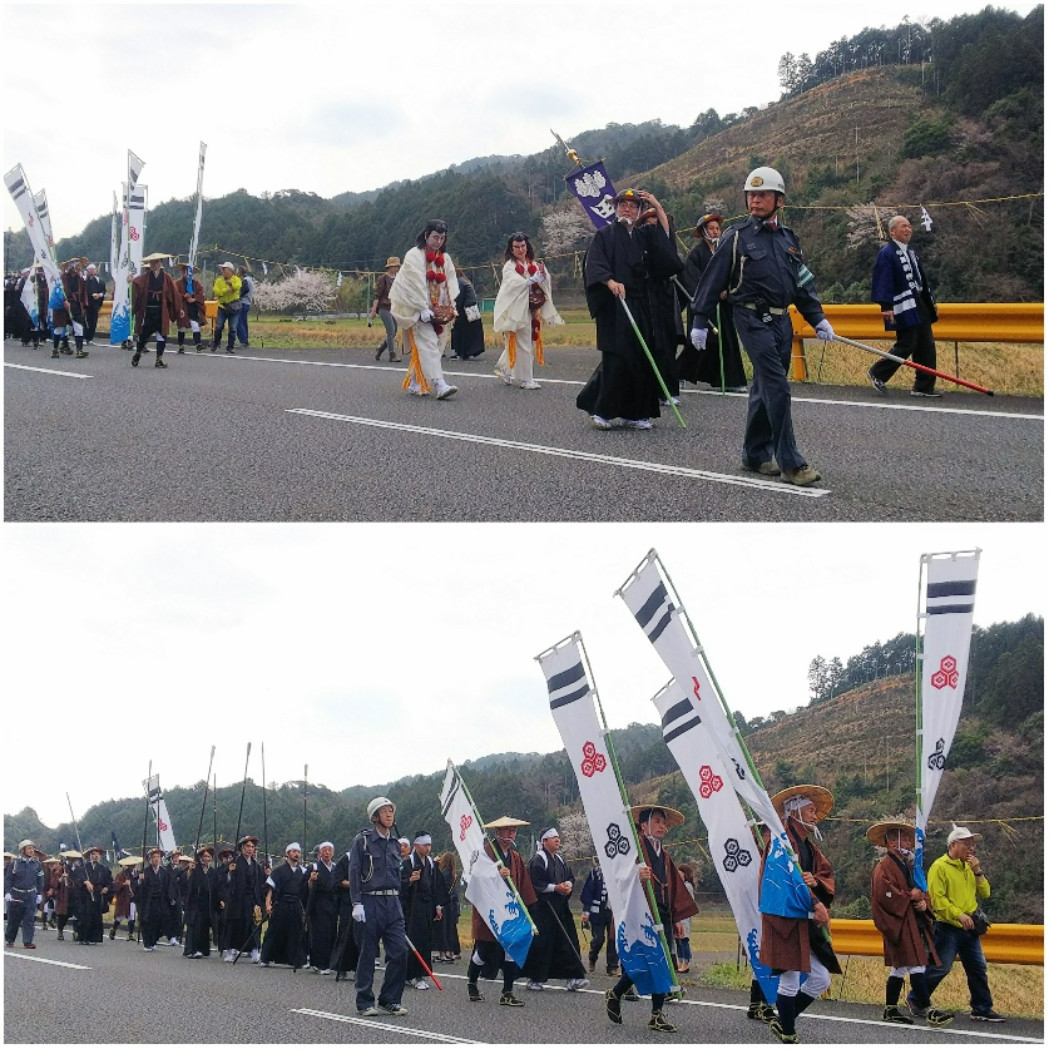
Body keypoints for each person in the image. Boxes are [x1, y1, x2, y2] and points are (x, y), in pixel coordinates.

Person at [690, 167, 834, 486]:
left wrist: (817, 318)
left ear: (779, 200)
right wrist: (699, 319)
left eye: (762, 194)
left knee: (764, 387)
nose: (755, 200)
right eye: (751, 195)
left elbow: (802, 285)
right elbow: (712, 280)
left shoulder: (788, 240)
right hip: (750, 317)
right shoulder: (737, 236)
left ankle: (754, 454)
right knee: (776, 386)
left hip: (782, 320)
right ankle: (791, 463)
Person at [577, 188, 682, 430]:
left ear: (639, 211)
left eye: (633, 206)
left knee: (641, 357)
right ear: (616, 208)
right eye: (623, 204)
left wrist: (657, 204)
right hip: (615, 305)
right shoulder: (605, 235)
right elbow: (594, 263)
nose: (628, 209)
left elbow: (666, 238)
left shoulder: (645, 235)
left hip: (640, 303)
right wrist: (610, 281)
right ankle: (603, 411)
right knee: (617, 358)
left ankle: (635, 413)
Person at [605, 805, 697, 1034]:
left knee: (662, 961)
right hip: (641, 911)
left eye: (663, 823)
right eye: (657, 821)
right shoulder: (634, 849)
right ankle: (616, 993)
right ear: (644, 825)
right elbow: (617, 876)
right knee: (643, 962)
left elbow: (672, 886)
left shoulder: (663, 854)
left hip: (662, 912)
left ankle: (656, 1014)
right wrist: (635, 874)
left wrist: (675, 917)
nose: (662, 826)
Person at [761, 785, 841, 1044]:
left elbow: (823, 876)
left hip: (804, 921)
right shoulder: (780, 843)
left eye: (815, 811)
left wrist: (815, 882)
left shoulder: (809, 847)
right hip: (785, 919)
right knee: (790, 978)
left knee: (820, 978)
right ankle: (788, 1031)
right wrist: (815, 900)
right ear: (793, 811)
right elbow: (783, 881)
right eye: (809, 810)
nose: (814, 815)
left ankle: (784, 1019)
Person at [867, 819, 953, 1027]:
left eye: (907, 838)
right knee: (915, 963)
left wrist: (923, 902)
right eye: (904, 838)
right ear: (891, 842)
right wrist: (910, 896)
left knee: (901, 966)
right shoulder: (884, 867)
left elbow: (915, 891)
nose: (908, 842)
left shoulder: (906, 865)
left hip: (909, 919)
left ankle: (890, 1009)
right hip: (899, 921)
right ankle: (928, 1008)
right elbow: (886, 895)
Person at [922, 825, 1003, 1023]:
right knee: (941, 968)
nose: (971, 849)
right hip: (948, 927)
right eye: (967, 844)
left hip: (970, 927)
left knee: (977, 967)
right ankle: (917, 998)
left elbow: (985, 893)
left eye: (972, 845)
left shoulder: (969, 867)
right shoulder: (939, 867)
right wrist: (959, 915)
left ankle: (982, 1008)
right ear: (953, 845)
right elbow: (938, 900)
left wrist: (978, 871)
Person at [466, 815, 537, 1007]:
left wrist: (527, 909)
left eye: (513, 830)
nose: (511, 833)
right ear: (497, 833)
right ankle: (472, 982)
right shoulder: (486, 853)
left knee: (511, 949)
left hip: (509, 911)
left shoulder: (514, 857)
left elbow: (522, 884)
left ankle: (507, 992)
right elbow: (477, 878)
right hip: (488, 910)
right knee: (483, 951)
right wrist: (495, 874)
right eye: (507, 830)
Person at [348, 797, 409, 1017]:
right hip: (369, 901)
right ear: (375, 817)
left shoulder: (395, 844)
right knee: (367, 953)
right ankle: (364, 1001)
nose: (389, 814)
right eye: (384, 811)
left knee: (400, 951)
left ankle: (390, 998)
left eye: (391, 811)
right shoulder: (362, 841)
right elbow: (354, 872)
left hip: (392, 902)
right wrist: (356, 903)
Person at [868, 215, 941, 398]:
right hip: (903, 304)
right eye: (903, 226)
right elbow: (883, 280)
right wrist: (886, 306)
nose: (908, 229)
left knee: (926, 344)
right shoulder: (887, 253)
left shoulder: (911, 252)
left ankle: (923, 386)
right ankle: (878, 372)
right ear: (892, 231)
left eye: (909, 226)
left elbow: (921, 279)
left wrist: (931, 301)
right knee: (908, 342)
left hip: (919, 302)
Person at [389, 220, 459, 399]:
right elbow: (413, 283)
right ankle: (439, 383)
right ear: (426, 235)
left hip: (438, 311)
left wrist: (451, 307)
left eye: (442, 238)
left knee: (433, 345)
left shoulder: (445, 258)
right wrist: (421, 307)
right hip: (417, 309)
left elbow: (450, 283)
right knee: (428, 344)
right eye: (435, 237)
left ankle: (414, 382)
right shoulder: (414, 255)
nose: (439, 242)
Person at [677, 213, 747, 392]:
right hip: (703, 305)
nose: (715, 232)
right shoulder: (696, 254)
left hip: (724, 305)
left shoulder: (725, 250)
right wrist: (713, 294)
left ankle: (731, 379)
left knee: (727, 340)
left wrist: (727, 291)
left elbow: (733, 274)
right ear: (703, 232)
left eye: (717, 228)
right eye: (711, 229)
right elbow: (694, 281)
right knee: (701, 341)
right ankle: (678, 373)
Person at [492, 232, 562, 389]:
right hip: (517, 311)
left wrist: (543, 276)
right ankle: (526, 379)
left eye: (523, 246)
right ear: (511, 249)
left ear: (527, 246)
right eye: (516, 247)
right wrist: (530, 280)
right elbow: (512, 284)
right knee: (524, 342)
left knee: (525, 341)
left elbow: (544, 281)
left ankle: (504, 367)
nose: (520, 249)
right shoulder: (509, 266)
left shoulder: (533, 264)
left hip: (532, 309)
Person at [525, 828, 588, 993]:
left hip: (560, 908)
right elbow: (535, 883)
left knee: (568, 941)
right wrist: (555, 888)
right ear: (544, 841)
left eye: (558, 838)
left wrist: (568, 886)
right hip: (544, 909)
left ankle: (573, 977)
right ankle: (535, 978)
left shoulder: (560, 860)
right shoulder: (539, 860)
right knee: (542, 944)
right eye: (553, 838)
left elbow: (570, 877)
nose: (557, 840)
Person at [400, 832, 448, 989]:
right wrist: (409, 880)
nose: (428, 849)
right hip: (411, 907)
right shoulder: (407, 862)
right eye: (425, 845)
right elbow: (397, 884)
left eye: (429, 845)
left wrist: (438, 906)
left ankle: (419, 975)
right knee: (412, 940)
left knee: (424, 941)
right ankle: (411, 975)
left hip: (427, 907)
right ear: (416, 845)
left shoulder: (431, 864)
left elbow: (436, 886)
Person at [259, 842, 309, 968]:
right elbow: (270, 888)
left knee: (296, 932)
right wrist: (268, 904)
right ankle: (265, 957)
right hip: (281, 903)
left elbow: (306, 888)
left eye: (298, 852)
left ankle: (297, 960)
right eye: (293, 852)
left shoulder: (303, 871)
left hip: (296, 904)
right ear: (287, 854)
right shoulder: (279, 871)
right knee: (274, 930)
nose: (296, 854)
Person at [131, 253, 184, 368]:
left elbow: (174, 294)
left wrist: (178, 308)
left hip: (161, 311)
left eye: (155, 262)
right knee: (143, 335)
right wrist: (131, 281)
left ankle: (159, 359)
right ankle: (138, 353)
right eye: (151, 263)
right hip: (149, 311)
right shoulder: (145, 277)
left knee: (162, 335)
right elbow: (136, 284)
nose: (153, 265)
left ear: (160, 263)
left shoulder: (167, 277)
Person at [222, 833, 266, 962]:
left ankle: (254, 951)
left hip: (252, 900)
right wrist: (230, 872)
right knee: (234, 925)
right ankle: (230, 951)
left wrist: (267, 875)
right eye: (247, 846)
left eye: (252, 847)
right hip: (237, 900)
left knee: (253, 925)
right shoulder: (234, 863)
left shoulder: (257, 866)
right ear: (242, 847)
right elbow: (224, 881)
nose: (250, 849)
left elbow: (261, 884)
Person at [580, 859, 618, 976]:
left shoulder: (620, 873)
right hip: (598, 911)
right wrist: (586, 911)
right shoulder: (596, 872)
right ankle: (592, 956)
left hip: (614, 912)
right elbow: (588, 892)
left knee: (613, 939)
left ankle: (612, 966)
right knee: (599, 938)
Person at [5, 839, 44, 949]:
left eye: (32, 848)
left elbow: (40, 879)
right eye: (29, 848)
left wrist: (39, 893)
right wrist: (7, 892)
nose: (32, 851)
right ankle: (10, 939)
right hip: (16, 894)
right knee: (14, 919)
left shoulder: (37, 864)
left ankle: (27, 941)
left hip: (30, 894)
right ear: (23, 850)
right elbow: (8, 879)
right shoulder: (15, 863)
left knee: (29, 919)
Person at [307, 841, 339, 975]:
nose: (327, 852)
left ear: (333, 852)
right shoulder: (314, 867)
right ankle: (319, 963)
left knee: (332, 932)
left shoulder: (336, 867)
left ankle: (330, 962)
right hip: (319, 903)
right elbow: (305, 887)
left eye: (329, 850)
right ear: (319, 853)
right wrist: (311, 880)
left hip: (333, 903)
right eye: (324, 850)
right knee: (320, 933)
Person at [136, 847, 175, 951]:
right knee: (148, 921)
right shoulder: (145, 871)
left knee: (159, 921)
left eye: (158, 857)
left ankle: (155, 940)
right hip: (148, 901)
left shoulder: (164, 872)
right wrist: (140, 881)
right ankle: (148, 943)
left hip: (161, 900)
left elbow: (168, 886)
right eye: (154, 857)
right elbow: (138, 888)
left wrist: (171, 897)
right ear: (150, 859)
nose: (156, 859)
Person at [74, 846, 113, 945]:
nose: (95, 856)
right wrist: (86, 882)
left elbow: (110, 882)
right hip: (85, 895)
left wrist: (106, 888)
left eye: (97, 854)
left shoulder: (104, 869)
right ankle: (83, 937)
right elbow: (78, 877)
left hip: (97, 895)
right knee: (85, 916)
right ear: (89, 856)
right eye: (93, 854)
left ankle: (94, 938)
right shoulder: (84, 868)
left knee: (96, 916)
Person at [183, 846, 218, 958]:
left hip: (207, 903)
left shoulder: (212, 871)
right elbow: (186, 883)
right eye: (204, 856)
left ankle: (203, 949)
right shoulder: (194, 869)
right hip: (195, 902)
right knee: (194, 926)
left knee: (204, 926)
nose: (206, 858)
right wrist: (190, 871)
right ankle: (192, 949)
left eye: (208, 856)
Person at [370, 257, 402, 362]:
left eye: (397, 266)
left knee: (394, 330)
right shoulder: (383, 278)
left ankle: (381, 349)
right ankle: (392, 355)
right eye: (394, 266)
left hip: (393, 307)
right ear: (390, 267)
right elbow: (377, 295)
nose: (396, 268)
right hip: (384, 307)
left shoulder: (398, 278)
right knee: (391, 330)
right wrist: (374, 309)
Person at [450, 272, 486, 360]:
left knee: (460, 330)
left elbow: (458, 297)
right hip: (471, 308)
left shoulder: (459, 282)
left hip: (465, 309)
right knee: (471, 331)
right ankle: (467, 351)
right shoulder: (464, 280)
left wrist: (455, 309)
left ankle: (460, 352)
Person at [433, 852, 461, 963]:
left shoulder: (443, 874)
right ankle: (451, 952)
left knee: (441, 929)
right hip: (452, 905)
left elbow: (438, 886)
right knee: (450, 929)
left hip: (443, 903)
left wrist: (435, 864)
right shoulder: (454, 875)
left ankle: (442, 954)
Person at [175, 262, 207, 353]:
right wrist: (184, 296)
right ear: (182, 272)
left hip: (193, 308)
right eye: (185, 271)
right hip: (182, 307)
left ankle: (198, 345)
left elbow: (201, 294)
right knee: (182, 327)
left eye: (189, 271)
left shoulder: (196, 283)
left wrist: (194, 298)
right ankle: (181, 346)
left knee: (195, 325)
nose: (187, 273)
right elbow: (175, 295)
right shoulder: (178, 283)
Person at [211, 261, 242, 354]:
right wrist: (226, 290)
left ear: (230, 270)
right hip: (222, 306)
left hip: (234, 307)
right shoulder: (218, 280)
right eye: (222, 269)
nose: (223, 271)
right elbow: (216, 292)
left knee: (233, 328)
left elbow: (237, 287)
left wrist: (231, 285)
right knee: (218, 326)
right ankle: (216, 343)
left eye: (225, 269)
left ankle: (230, 347)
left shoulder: (236, 279)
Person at [675, 862, 696, 972]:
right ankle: (680, 961)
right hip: (678, 916)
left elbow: (684, 902)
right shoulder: (680, 886)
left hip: (684, 917)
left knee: (683, 940)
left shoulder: (687, 886)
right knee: (678, 940)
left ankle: (686, 963)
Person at [109, 862, 136, 940]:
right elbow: (116, 884)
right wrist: (124, 883)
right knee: (121, 916)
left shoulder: (136, 874)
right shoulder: (122, 874)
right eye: (131, 864)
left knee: (132, 916)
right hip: (123, 898)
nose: (132, 866)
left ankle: (130, 934)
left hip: (132, 898)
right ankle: (113, 929)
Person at [83, 263, 106, 345]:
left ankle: (90, 338)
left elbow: (103, 291)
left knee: (93, 322)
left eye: (93, 269)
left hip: (95, 304)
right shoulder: (83, 280)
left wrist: (99, 295)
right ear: (87, 271)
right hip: (85, 304)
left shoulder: (99, 281)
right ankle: (85, 337)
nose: (92, 271)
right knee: (84, 321)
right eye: (90, 269)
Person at [235, 265, 254, 347]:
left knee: (238, 322)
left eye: (237, 271)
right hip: (247, 303)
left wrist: (239, 296)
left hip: (243, 303)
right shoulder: (250, 279)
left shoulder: (245, 280)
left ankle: (243, 340)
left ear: (239, 272)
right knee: (243, 322)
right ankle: (245, 340)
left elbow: (246, 289)